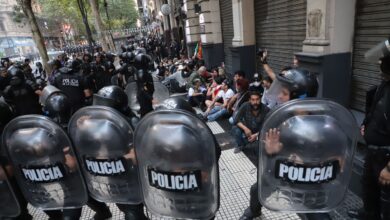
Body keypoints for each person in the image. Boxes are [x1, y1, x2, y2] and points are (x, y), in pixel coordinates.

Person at [239, 68, 320, 220]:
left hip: (304, 177)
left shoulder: (318, 124)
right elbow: (266, 143)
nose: (279, 96)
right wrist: (270, 150)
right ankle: (254, 211)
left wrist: (308, 162)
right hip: (279, 167)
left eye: (284, 93)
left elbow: (327, 156)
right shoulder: (278, 116)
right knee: (257, 189)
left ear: (298, 97)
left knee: (316, 212)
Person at [348, 50, 390, 220]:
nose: (380, 62)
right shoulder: (384, 85)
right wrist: (366, 125)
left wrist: (388, 168)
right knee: (369, 188)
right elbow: (375, 110)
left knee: (386, 200)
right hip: (373, 152)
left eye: (384, 61)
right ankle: (368, 214)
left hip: (386, 157)